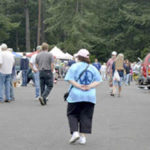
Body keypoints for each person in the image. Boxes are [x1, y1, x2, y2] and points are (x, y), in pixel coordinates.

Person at [65, 49, 102, 145]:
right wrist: (89, 86)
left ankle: (75, 132)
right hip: (89, 96)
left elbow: (69, 79)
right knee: (86, 116)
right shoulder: (93, 68)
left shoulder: (74, 66)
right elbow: (99, 80)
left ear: (78, 57)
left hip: (75, 95)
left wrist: (78, 86)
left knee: (72, 114)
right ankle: (83, 137)